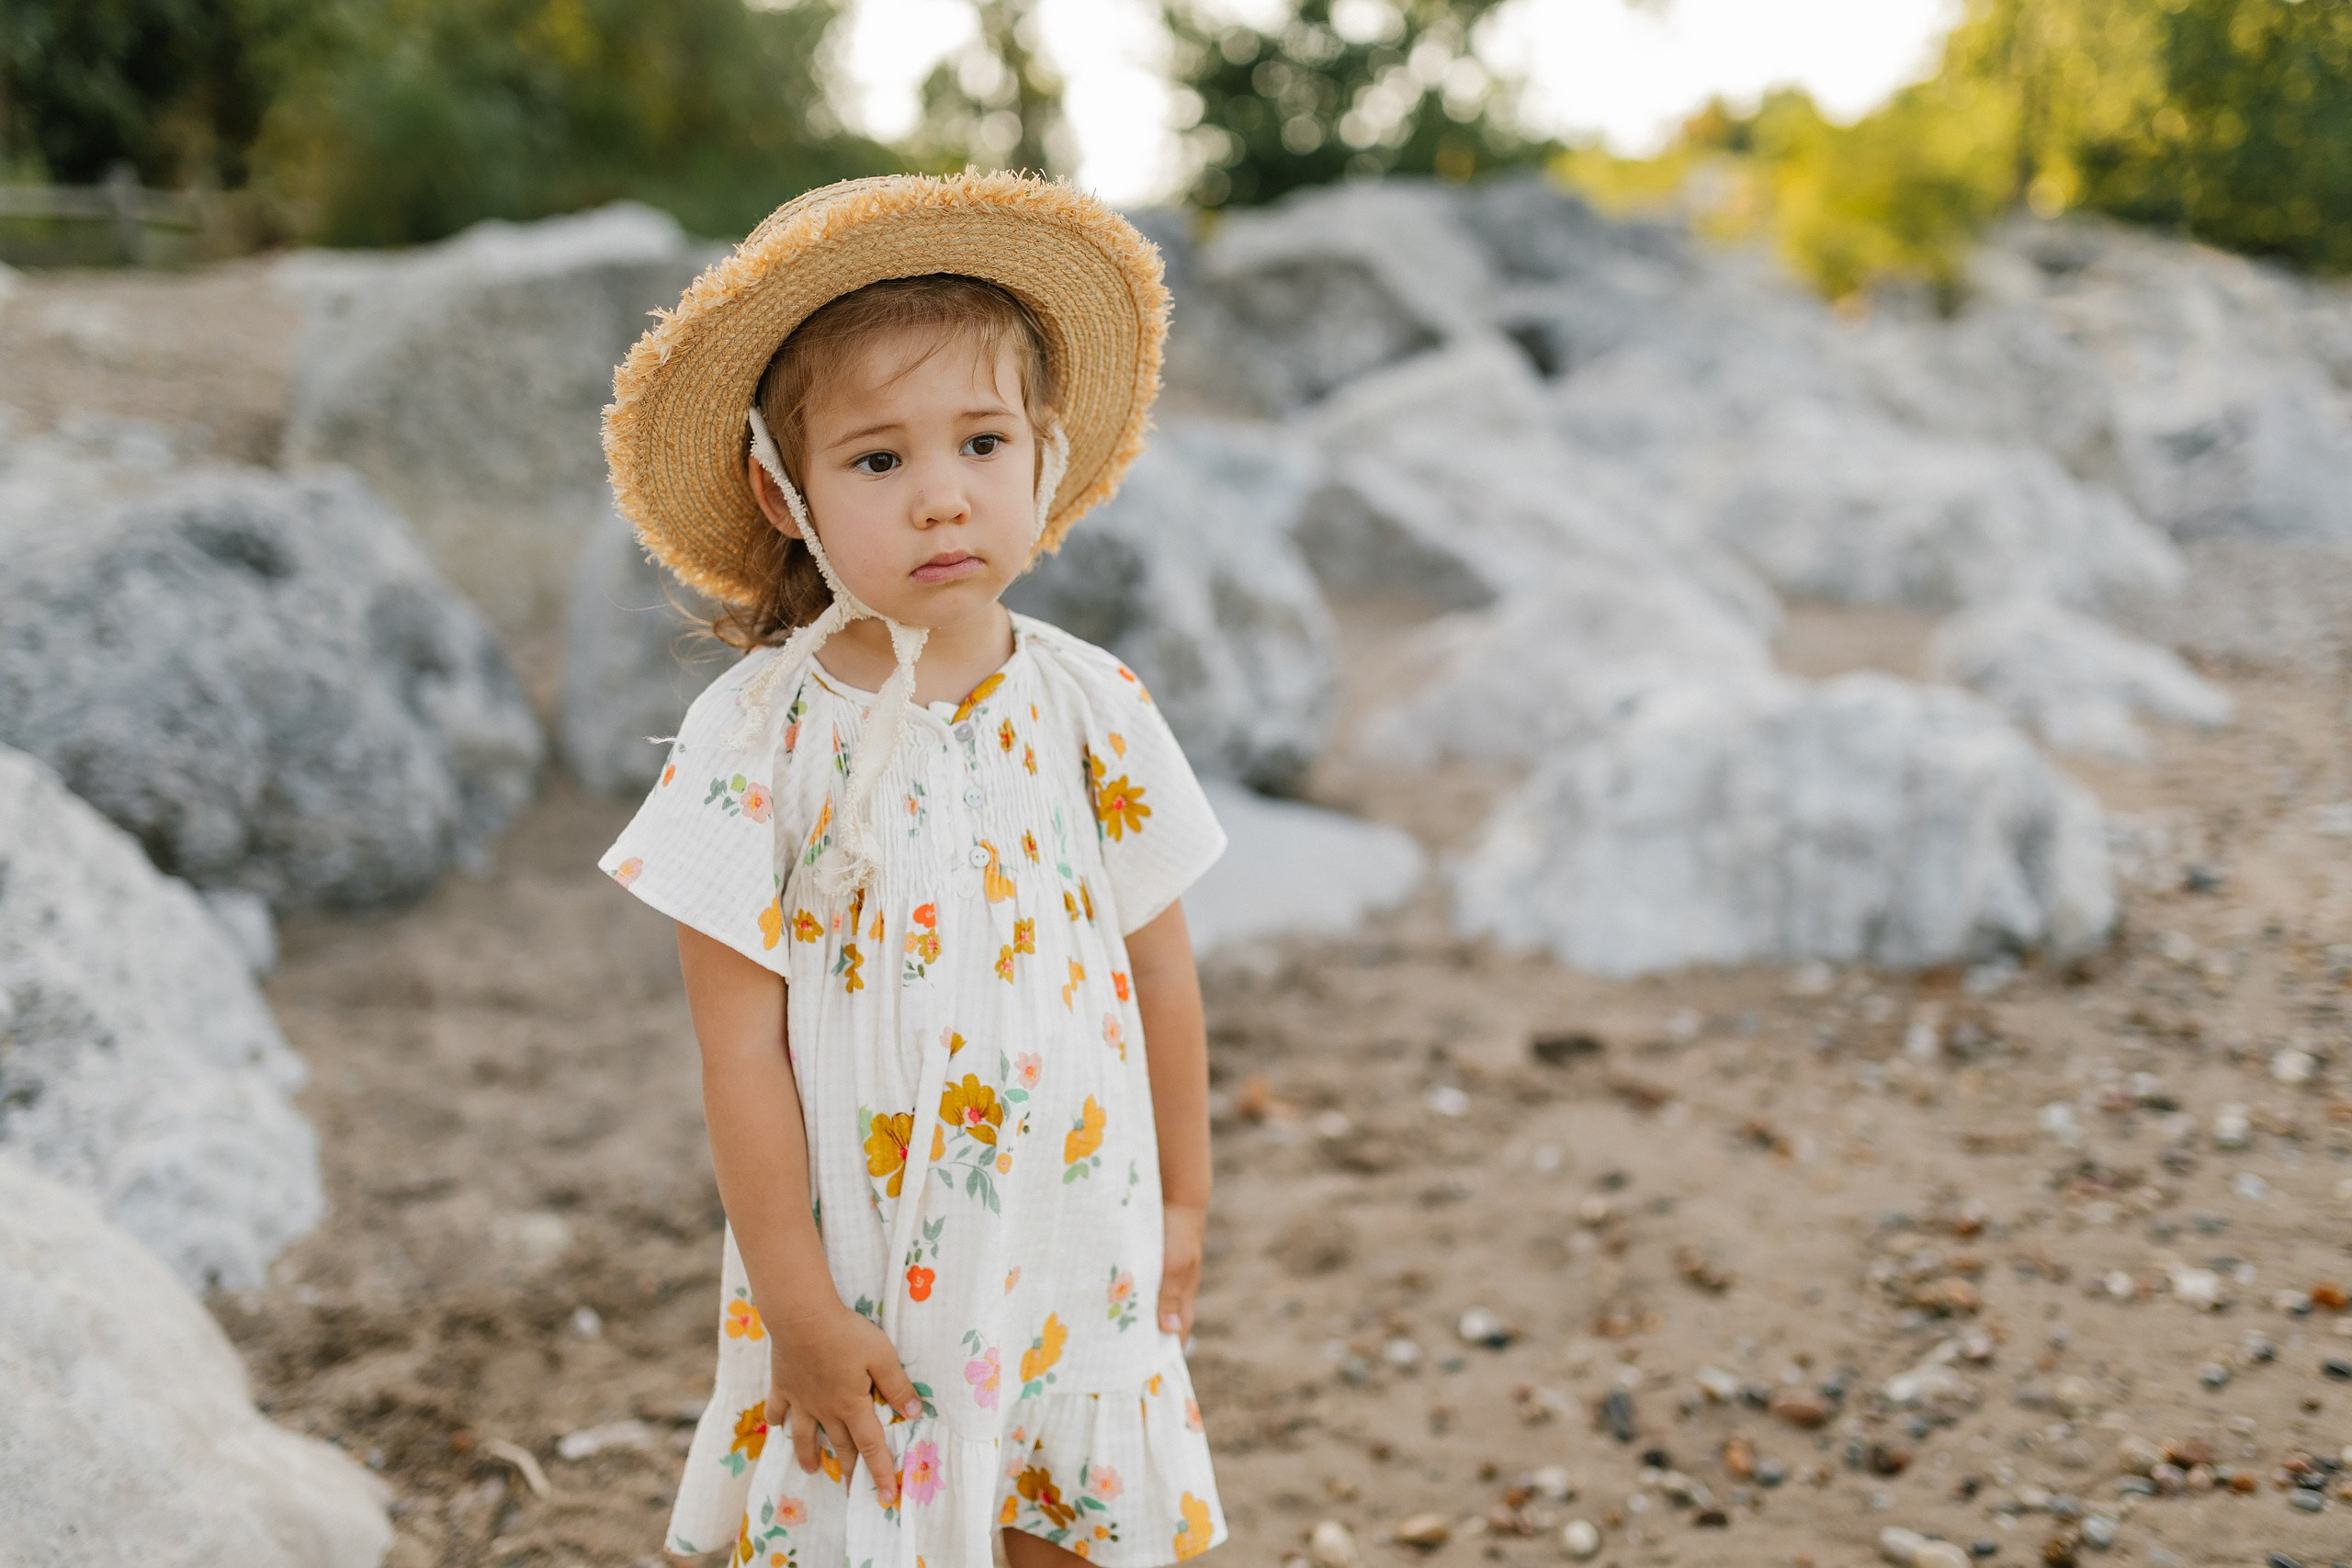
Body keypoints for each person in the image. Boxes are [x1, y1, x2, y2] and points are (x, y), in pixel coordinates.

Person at [595, 172, 1227, 1567]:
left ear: (1045, 456)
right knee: (880, 1515)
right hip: (864, 1266)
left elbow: (1160, 963)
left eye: (984, 443)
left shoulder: (1093, 705)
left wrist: (1183, 1195)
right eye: (879, 460)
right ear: (786, 488)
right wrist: (800, 1310)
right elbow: (738, 1053)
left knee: (1063, 1512)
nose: (943, 496)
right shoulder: (754, 736)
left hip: (1077, 1225)